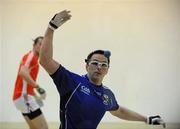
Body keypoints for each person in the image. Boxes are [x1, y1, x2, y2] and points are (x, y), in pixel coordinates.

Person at [40, 10, 166, 129]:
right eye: (95, 63)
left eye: (104, 65)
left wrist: (146, 119)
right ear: (87, 66)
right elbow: (45, 61)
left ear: (107, 70)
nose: (99, 67)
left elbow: (119, 111)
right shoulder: (72, 82)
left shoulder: (107, 95)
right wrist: (51, 28)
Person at [12, 36, 48, 129]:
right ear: (34, 45)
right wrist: (38, 87)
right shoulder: (31, 56)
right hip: (24, 97)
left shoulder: (35, 59)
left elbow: (25, 81)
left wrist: (35, 94)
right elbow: (23, 72)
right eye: (40, 44)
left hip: (22, 97)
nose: (42, 47)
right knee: (44, 128)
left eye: (44, 45)